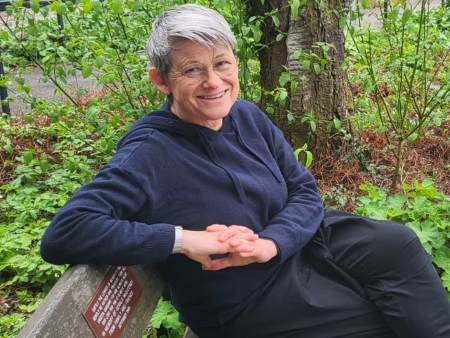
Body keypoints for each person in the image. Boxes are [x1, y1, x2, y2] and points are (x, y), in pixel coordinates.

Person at [40, 4, 450, 338]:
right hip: (248, 297)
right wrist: (185, 240)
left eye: (222, 63)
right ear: (161, 80)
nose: (213, 81)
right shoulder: (149, 153)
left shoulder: (246, 116)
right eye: (192, 69)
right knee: (380, 322)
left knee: (397, 242)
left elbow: (304, 192)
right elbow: (66, 232)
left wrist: (270, 243)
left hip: (292, 247)